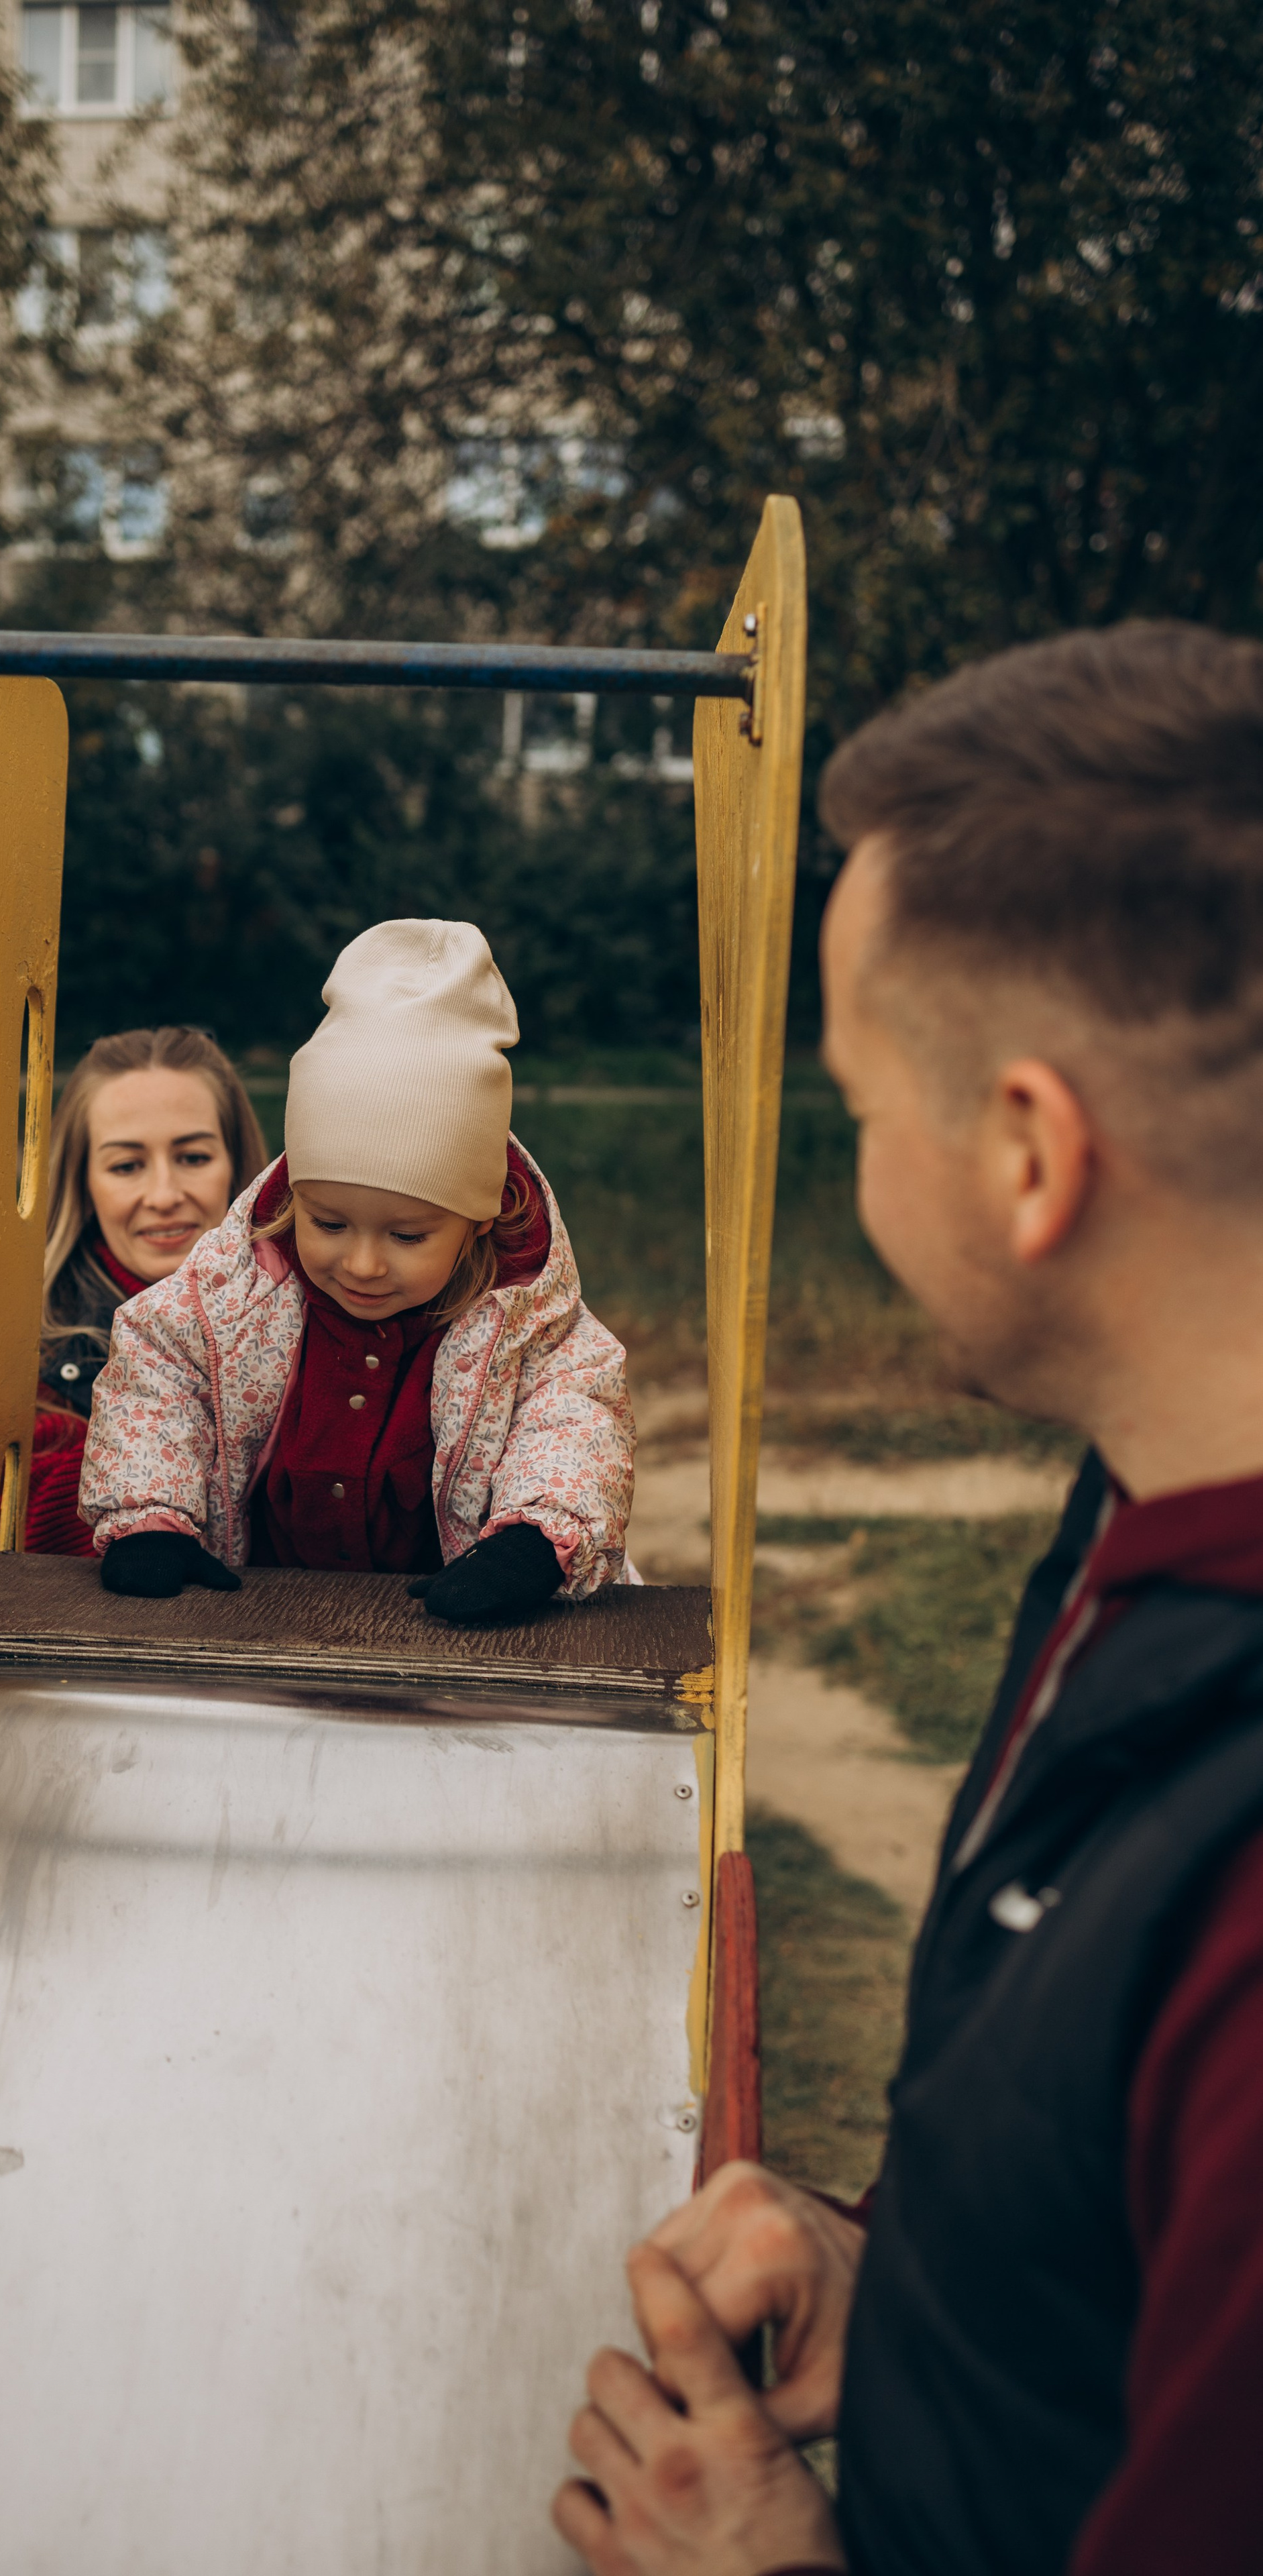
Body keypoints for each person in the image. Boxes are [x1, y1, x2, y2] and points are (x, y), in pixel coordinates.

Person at [553, 623, 1263, 2576]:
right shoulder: (1144, 1501)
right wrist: (914, 2274)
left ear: (1029, 1150)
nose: (854, 1176)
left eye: (859, 1106)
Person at [79, 918, 634, 1625]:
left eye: (407, 1234)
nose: (363, 1264)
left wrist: (533, 1544)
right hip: (260, 1618)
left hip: (455, 1629)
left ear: (479, 1220)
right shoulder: (239, 1292)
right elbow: (159, 1375)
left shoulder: (527, 1330)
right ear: (292, 1199)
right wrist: (150, 1517)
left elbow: (572, 1422)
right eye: (329, 1224)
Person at [25, 1028, 268, 1555]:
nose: (164, 1195)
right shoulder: (33, 1346)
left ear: (239, 1169)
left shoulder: (321, 1309)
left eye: (193, 1157)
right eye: (127, 1166)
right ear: (83, 1183)